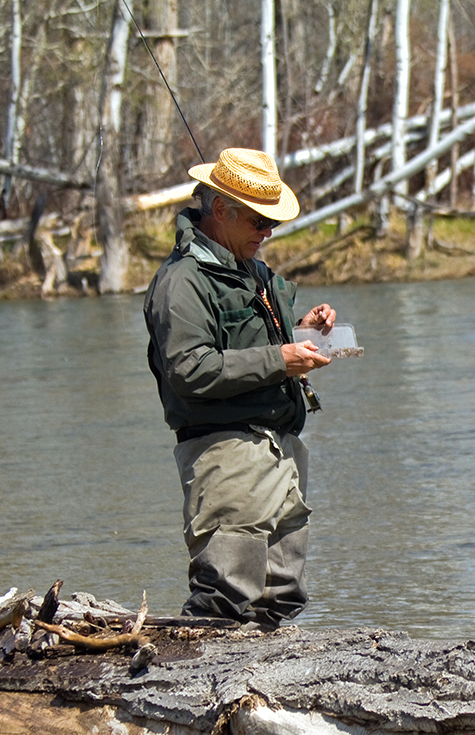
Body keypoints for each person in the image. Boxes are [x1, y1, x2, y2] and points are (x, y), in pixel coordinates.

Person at [143, 147, 336, 626]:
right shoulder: (182, 281)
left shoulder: (249, 264)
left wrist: (300, 330)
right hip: (225, 455)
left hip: (280, 451)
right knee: (223, 598)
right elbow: (189, 370)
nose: (267, 233)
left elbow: (253, 335)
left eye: (271, 223)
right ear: (222, 212)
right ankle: (186, 694)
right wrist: (281, 358)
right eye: (258, 222)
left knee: (282, 596)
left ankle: (268, 690)